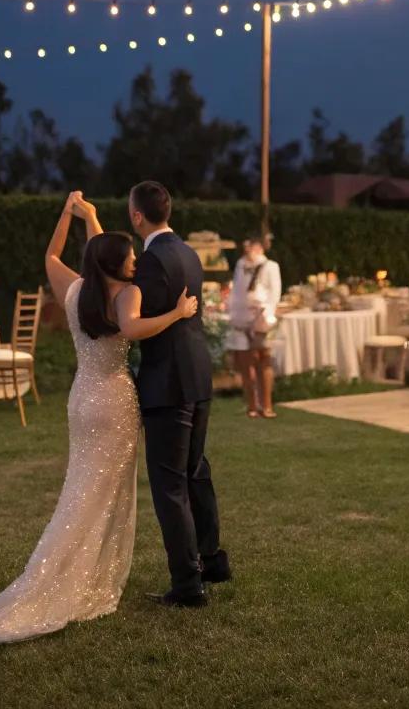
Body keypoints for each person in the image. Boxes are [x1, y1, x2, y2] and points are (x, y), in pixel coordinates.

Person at [0, 191, 197, 643]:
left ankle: (64, 570)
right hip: (115, 401)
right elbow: (135, 329)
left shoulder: (76, 288)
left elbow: (55, 254)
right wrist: (178, 312)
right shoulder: (126, 295)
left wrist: (75, 214)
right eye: (131, 259)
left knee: (81, 487)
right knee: (102, 493)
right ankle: (79, 577)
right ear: (118, 265)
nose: (137, 263)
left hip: (82, 399)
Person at [129, 179, 231, 608]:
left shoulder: (152, 261)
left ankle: (188, 584)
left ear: (137, 216)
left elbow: (146, 322)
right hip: (198, 374)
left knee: (170, 484)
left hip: (168, 381)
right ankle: (212, 560)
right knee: (195, 471)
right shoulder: (188, 253)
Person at [227, 235, 282, 419]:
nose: (247, 251)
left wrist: (266, 317)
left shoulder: (270, 266)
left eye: (250, 247)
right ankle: (252, 404)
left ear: (259, 248)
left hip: (261, 318)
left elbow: (274, 293)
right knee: (245, 363)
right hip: (242, 319)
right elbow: (236, 292)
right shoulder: (241, 265)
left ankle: (266, 405)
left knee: (263, 360)